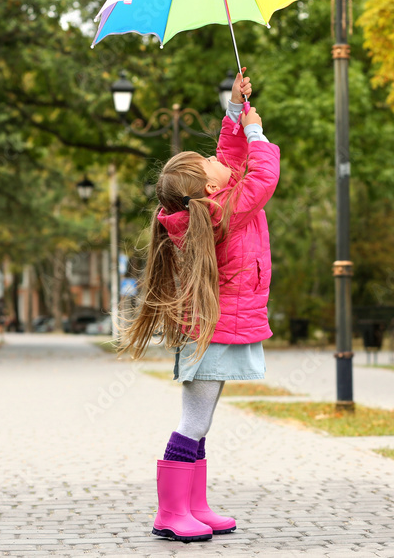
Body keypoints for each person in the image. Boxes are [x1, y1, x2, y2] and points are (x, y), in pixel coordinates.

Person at [119, 70, 280, 543]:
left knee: (203, 418)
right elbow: (264, 173)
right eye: (207, 162)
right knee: (194, 419)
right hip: (213, 328)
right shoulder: (230, 207)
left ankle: (195, 505)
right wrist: (257, 132)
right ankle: (171, 512)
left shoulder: (213, 202)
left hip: (221, 325)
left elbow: (230, 158)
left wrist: (234, 113)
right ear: (211, 190)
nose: (216, 156)